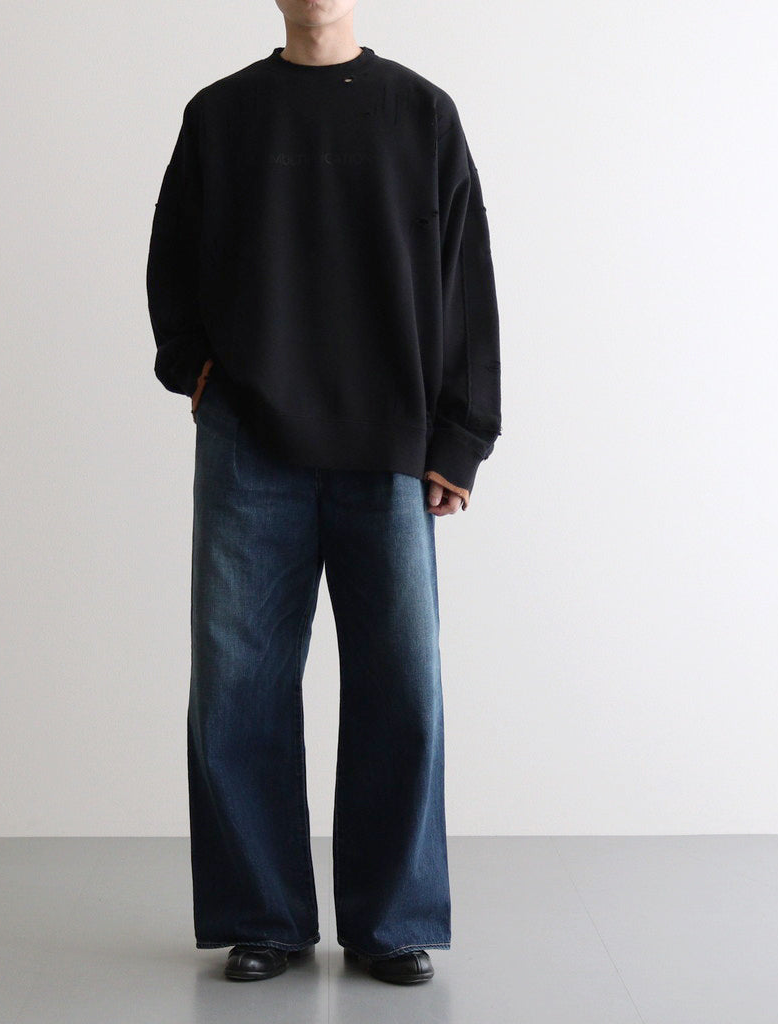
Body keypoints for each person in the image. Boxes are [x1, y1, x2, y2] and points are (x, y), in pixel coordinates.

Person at [146, 0, 501, 986]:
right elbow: (172, 256)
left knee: (402, 688)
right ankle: (262, 915)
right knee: (238, 688)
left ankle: (392, 922)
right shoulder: (222, 113)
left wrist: (461, 435)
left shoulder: (419, 111)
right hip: (248, 442)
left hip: (390, 444)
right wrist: (195, 371)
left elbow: (464, 278)